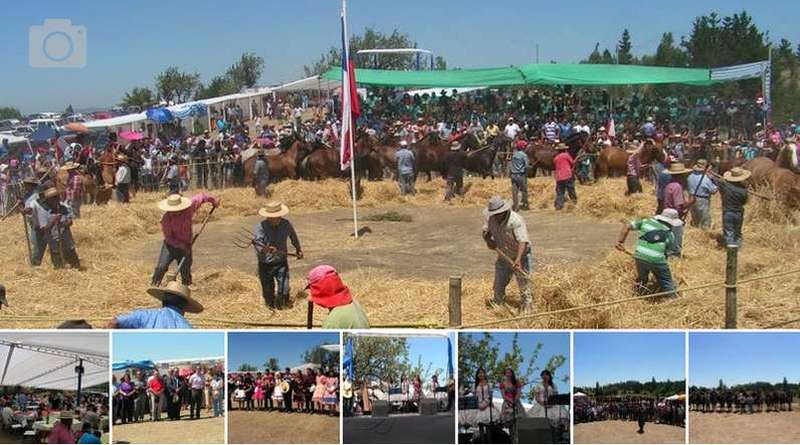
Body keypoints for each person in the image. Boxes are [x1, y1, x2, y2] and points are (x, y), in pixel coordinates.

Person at [151, 193, 219, 286]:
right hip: (170, 246)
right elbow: (169, 238)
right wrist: (181, 245)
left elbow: (202, 197)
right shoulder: (166, 220)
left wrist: (214, 200)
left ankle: (186, 288)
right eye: (172, 211)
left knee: (185, 270)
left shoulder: (189, 208)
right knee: (162, 267)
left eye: (177, 210)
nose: (174, 212)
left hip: (186, 244)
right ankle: (155, 284)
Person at [482, 196, 533, 313]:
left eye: (498, 213)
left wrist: (518, 259)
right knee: (498, 284)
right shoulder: (491, 219)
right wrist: (489, 241)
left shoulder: (516, 220)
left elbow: (522, 241)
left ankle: (527, 310)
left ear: (504, 211)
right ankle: (499, 305)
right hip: (504, 255)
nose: (496, 215)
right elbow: (485, 232)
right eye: (494, 213)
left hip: (521, 255)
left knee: (524, 284)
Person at [616, 208, 681, 298]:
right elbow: (666, 252)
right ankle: (673, 299)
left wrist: (620, 242)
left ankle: (637, 295)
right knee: (666, 281)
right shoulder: (670, 234)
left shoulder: (646, 221)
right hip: (657, 259)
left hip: (640, 256)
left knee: (642, 279)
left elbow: (627, 225)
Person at [253, 201, 303, 310]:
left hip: (281, 262)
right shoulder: (260, 227)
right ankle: (270, 305)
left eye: (276, 217)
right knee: (268, 291)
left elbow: (293, 237)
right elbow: (257, 243)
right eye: (271, 217)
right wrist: (265, 249)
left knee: (284, 289)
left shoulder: (286, 224)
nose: (273, 219)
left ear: (280, 215)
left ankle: (283, 304)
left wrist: (298, 249)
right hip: (265, 264)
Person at [108, 280, 204, 329]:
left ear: (163, 301)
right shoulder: (187, 328)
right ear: (185, 306)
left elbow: (114, 323)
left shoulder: (145, 315)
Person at [39, 187, 81, 269]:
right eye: (54, 198)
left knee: (75, 263)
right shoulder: (43, 211)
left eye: (57, 197)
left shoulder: (63, 208)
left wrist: (64, 223)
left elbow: (70, 221)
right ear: (48, 200)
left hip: (66, 239)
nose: (57, 200)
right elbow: (44, 228)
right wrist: (53, 221)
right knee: (59, 266)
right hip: (54, 241)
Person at [662, 162, 692, 257]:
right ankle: (674, 256)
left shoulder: (669, 185)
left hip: (666, 214)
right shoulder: (678, 187)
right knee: (676, 239)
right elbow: (678, 206)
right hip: (674, 217)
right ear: (681, 175)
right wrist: (690, 202)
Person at [717, 167, 750, 248]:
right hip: (739, 212)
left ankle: (731, 249)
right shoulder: (743, 190)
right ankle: (737, 247)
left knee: (729, 232)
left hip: (727, 212)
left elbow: (720, 183)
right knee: (737, 232)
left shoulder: (725, 187)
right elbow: (744, 202)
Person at [686, 159, 717, 230]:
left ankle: (695, 230)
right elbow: (713, 190)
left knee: (695, 217)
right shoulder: (705, 179)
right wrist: (714, 181)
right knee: (704, 219)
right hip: (702, 199)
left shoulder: (690, 176)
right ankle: (704, 234)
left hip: (691, 198)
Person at [553, 143, 577, 210]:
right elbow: (572, 163)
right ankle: (574, 203)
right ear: (565, 150)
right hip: (567, 175)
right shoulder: (566, 155)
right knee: (571, 190)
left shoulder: (556, 158)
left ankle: (559, 205)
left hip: (559, 177)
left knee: (560, 192)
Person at [510, 140, 530, 211]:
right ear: (523, 147)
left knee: (514, 191)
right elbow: (527, 166)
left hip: (513, 175)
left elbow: (511, 165)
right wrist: (527, 172)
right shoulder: (524, 155)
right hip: (521, 175)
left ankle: (516, 207)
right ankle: (525, 205)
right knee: (524, 190)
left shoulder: (514, 154)